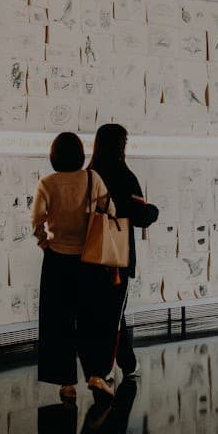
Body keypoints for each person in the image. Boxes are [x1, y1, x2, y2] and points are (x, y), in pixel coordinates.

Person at [33, 131, 118, 400]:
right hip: (89, 260)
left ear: (53, 156)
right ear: (80, 155)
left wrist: (44, 242)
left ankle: (66, 384)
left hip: (57, 259)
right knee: (93, 318)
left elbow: (36, 220)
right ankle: (96, 374)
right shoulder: (92, 178)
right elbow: (111, 211)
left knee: (58, 321)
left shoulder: (47, 183)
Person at [88, 123, 160, 379]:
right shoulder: (123, 174)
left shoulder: (90, 174)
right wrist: (153, 211)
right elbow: (138, 214)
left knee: (107, 311)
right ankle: (104, 370)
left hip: (92, 255)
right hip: (118, 255)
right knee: (114, 314)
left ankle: (128, 363)